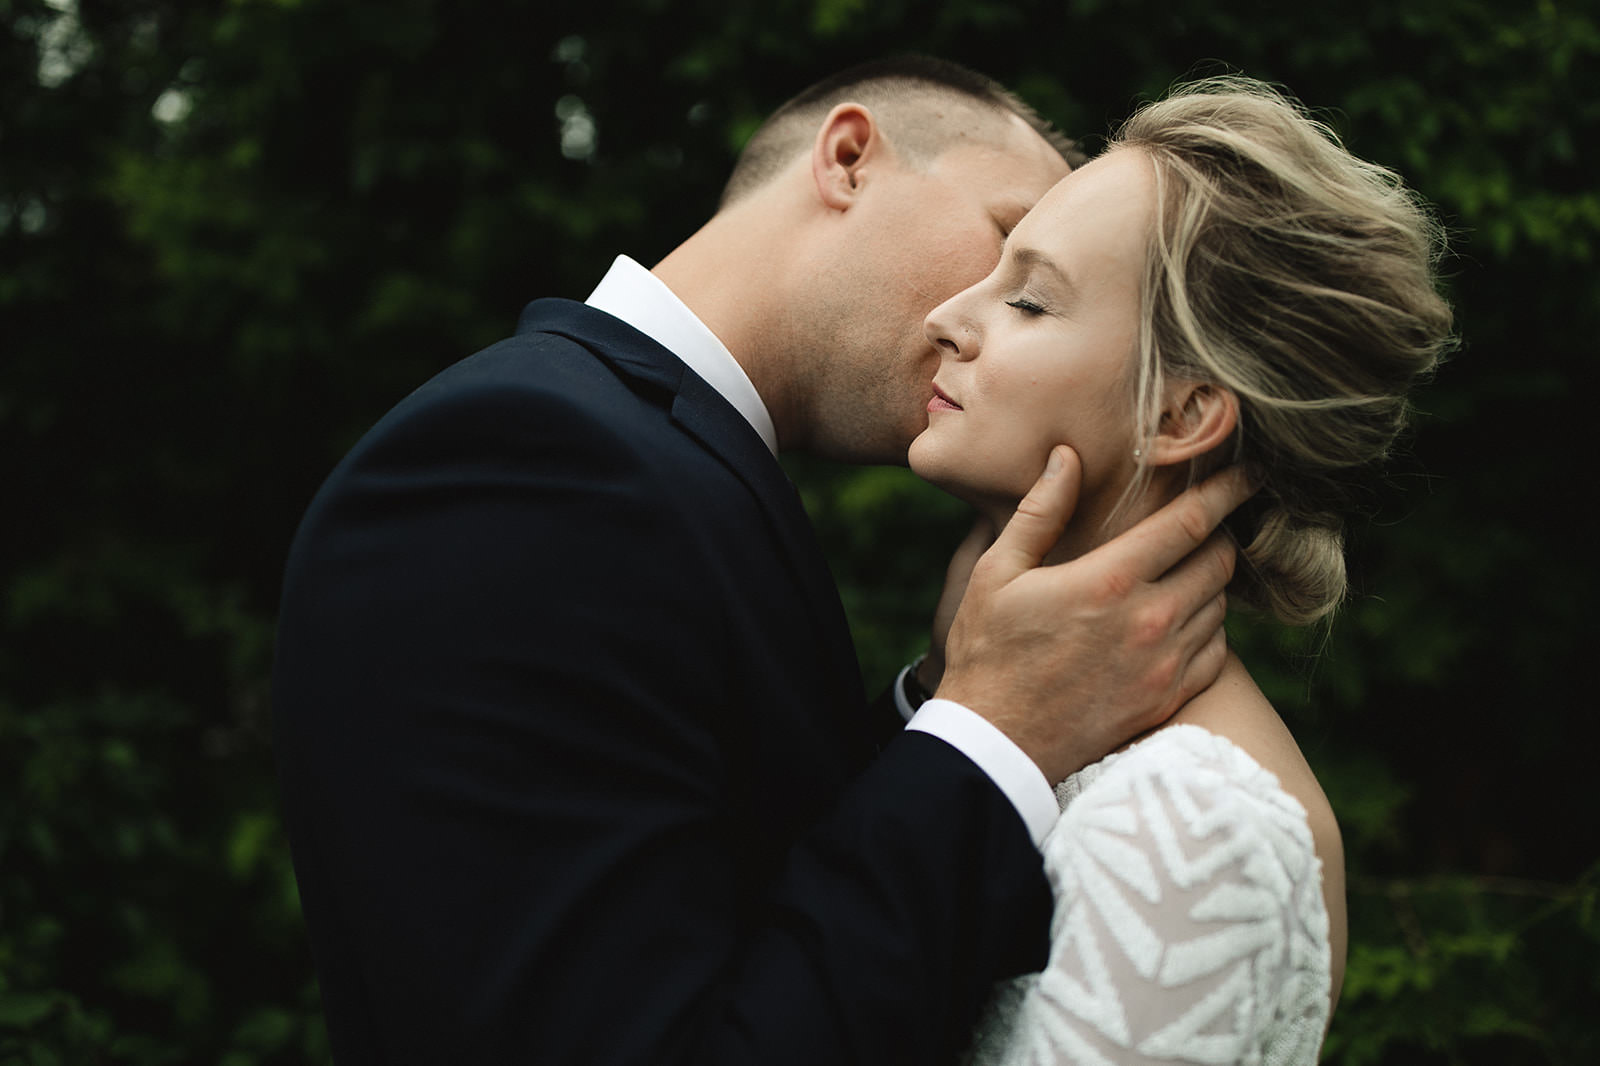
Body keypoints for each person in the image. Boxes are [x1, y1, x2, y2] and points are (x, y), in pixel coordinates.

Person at [271, 57, 1252, 1065]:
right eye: (1006, 243)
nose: (982, 320)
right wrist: (992, 732)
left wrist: (945, 695)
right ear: (849, 158)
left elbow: (743, 894)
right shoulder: (524, 462)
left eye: (1033, 295)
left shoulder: (650, 461)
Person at [898, 77, 1453, 1064]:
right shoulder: (1005, 708)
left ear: (1181, 415)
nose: (947, 314)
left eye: (1028, 297)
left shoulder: (1193, 820)